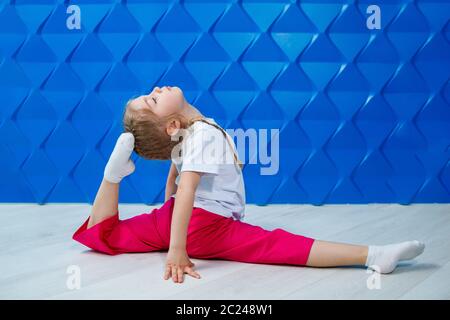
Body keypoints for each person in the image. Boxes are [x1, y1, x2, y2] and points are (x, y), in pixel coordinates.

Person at [72, 86, 425, 284]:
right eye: (151, 100)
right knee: (279, 245)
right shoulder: (202, 135)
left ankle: (112, 176)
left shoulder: (192, 132)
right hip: (203, 224)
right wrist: (177, 249)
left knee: (107, 237)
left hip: (177, 217)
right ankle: (374, 256)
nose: (155, 90)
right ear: (171, 124)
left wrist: (167, 216)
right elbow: (188, 191)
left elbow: (175, 176)